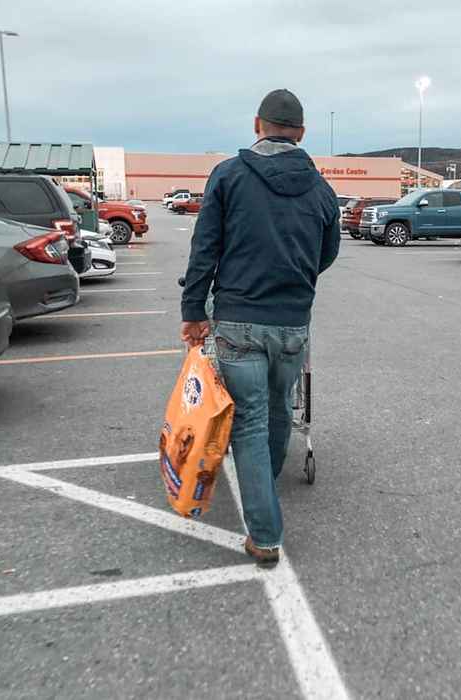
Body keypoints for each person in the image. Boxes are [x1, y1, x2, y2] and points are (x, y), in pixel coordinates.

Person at [180, 89, 340, 566]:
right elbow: (327, 252)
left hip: (238, 321)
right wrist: (297, 276)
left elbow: (204, 248)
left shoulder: (229, 176)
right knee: (276, 411)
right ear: (302, 134)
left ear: (257, 125)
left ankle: (265, 531)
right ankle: (263, 488)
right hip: (292, 323)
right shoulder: (321, 189)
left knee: (248, 421)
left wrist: (193, 311)